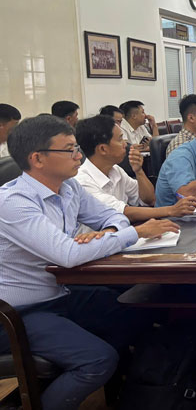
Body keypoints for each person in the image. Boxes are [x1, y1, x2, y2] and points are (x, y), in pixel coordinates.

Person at [0, 115, 178, 409]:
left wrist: (109, 232)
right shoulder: (13, 202)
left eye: (77, 148)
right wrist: (135, 233)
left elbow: (114, 217)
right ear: (37, 159)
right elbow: (68, 255)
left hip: (61, 293)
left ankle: (132, 397)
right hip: (18, 314)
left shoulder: (69, 187)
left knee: (137, 316)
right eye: (69, 149)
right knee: (96, 359)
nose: (79, 156)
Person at [75, 115, 196, 222]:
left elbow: (149, 199)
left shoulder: (116, 170)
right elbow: (123, 212)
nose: (125, 144)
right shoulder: (82, 181)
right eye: (120, 139)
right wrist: (171, 210)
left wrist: (139, 171)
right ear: (103, 149)